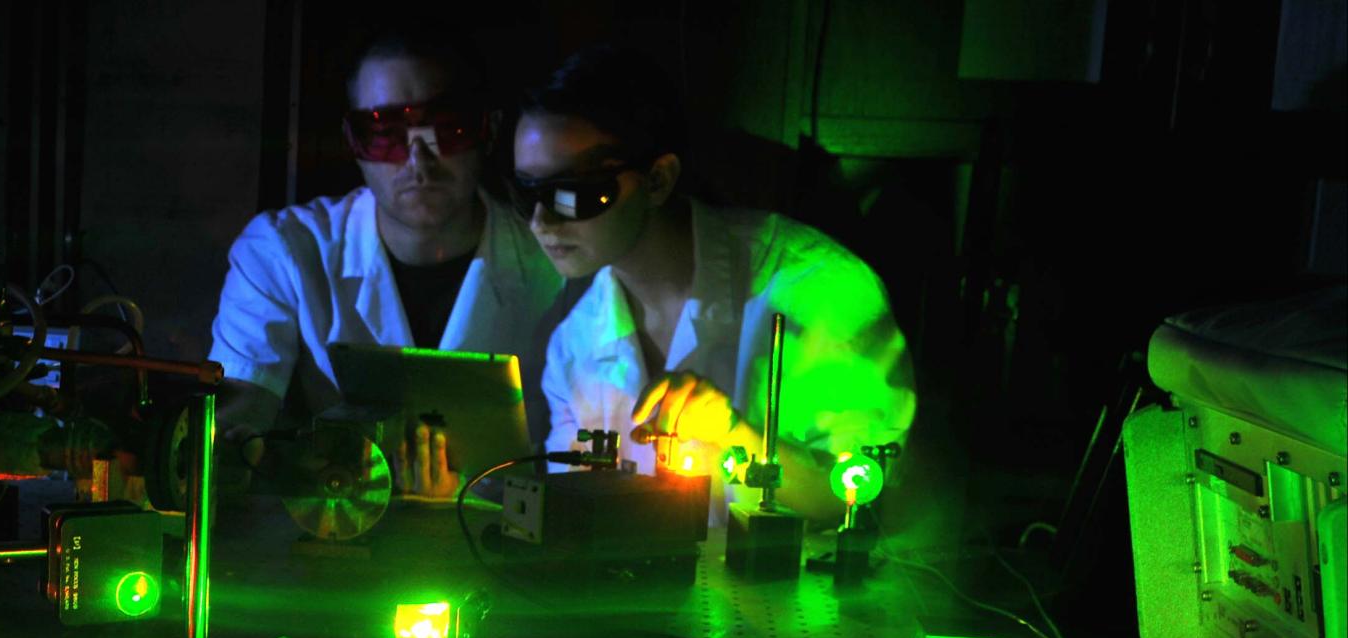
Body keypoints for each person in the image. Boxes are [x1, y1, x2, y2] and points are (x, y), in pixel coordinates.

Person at [513, 44, 914, 523]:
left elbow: (871, 506)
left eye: (573, 193)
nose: (541, 221)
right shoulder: (574, 346)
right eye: (527, 192)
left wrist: (735, 433)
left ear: (658, 180)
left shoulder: (820, 292)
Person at [208, 26, 563, 497]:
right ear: (354, 142)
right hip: (339, 532)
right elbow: (240, 409)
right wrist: (246, 452)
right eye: (384, 133)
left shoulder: (556, 263)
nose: (419, 159)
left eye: (448, 128)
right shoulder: (284, 250)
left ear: (488, 130)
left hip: (508, 542)